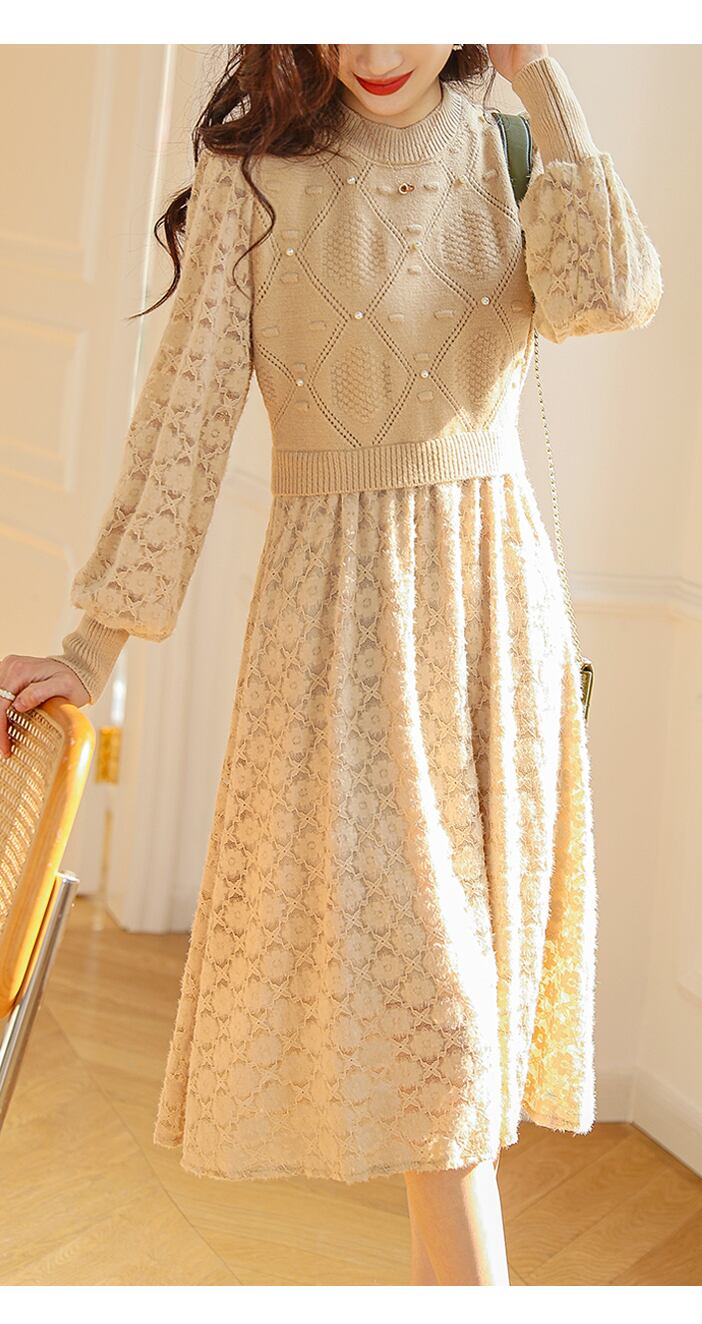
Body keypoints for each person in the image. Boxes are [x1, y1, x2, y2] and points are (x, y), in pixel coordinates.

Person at [0, 43, 662, 1285]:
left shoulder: (509, 146)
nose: (374, 50)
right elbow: (184, 424)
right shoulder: (253, 175)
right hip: (336, 640)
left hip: (493, 629)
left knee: (457, 1082)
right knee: (445, 1047)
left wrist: (540, 80)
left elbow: (613, 292)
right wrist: (92, 649)